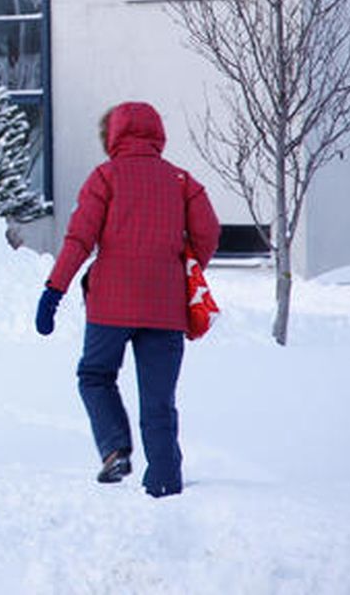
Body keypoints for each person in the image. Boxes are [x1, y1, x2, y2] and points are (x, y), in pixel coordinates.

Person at [34, 101, 221, 497]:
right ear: (158, 135)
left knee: (96, 375)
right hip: (165, 305)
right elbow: (208, 231)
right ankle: (165, 480)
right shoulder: (182, 181)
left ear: (113, 136)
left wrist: (54, 291)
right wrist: (182, 266)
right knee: (159, 401)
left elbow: (79, 240)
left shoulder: (105, 178)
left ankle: (115, 449)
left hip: (111, 305)